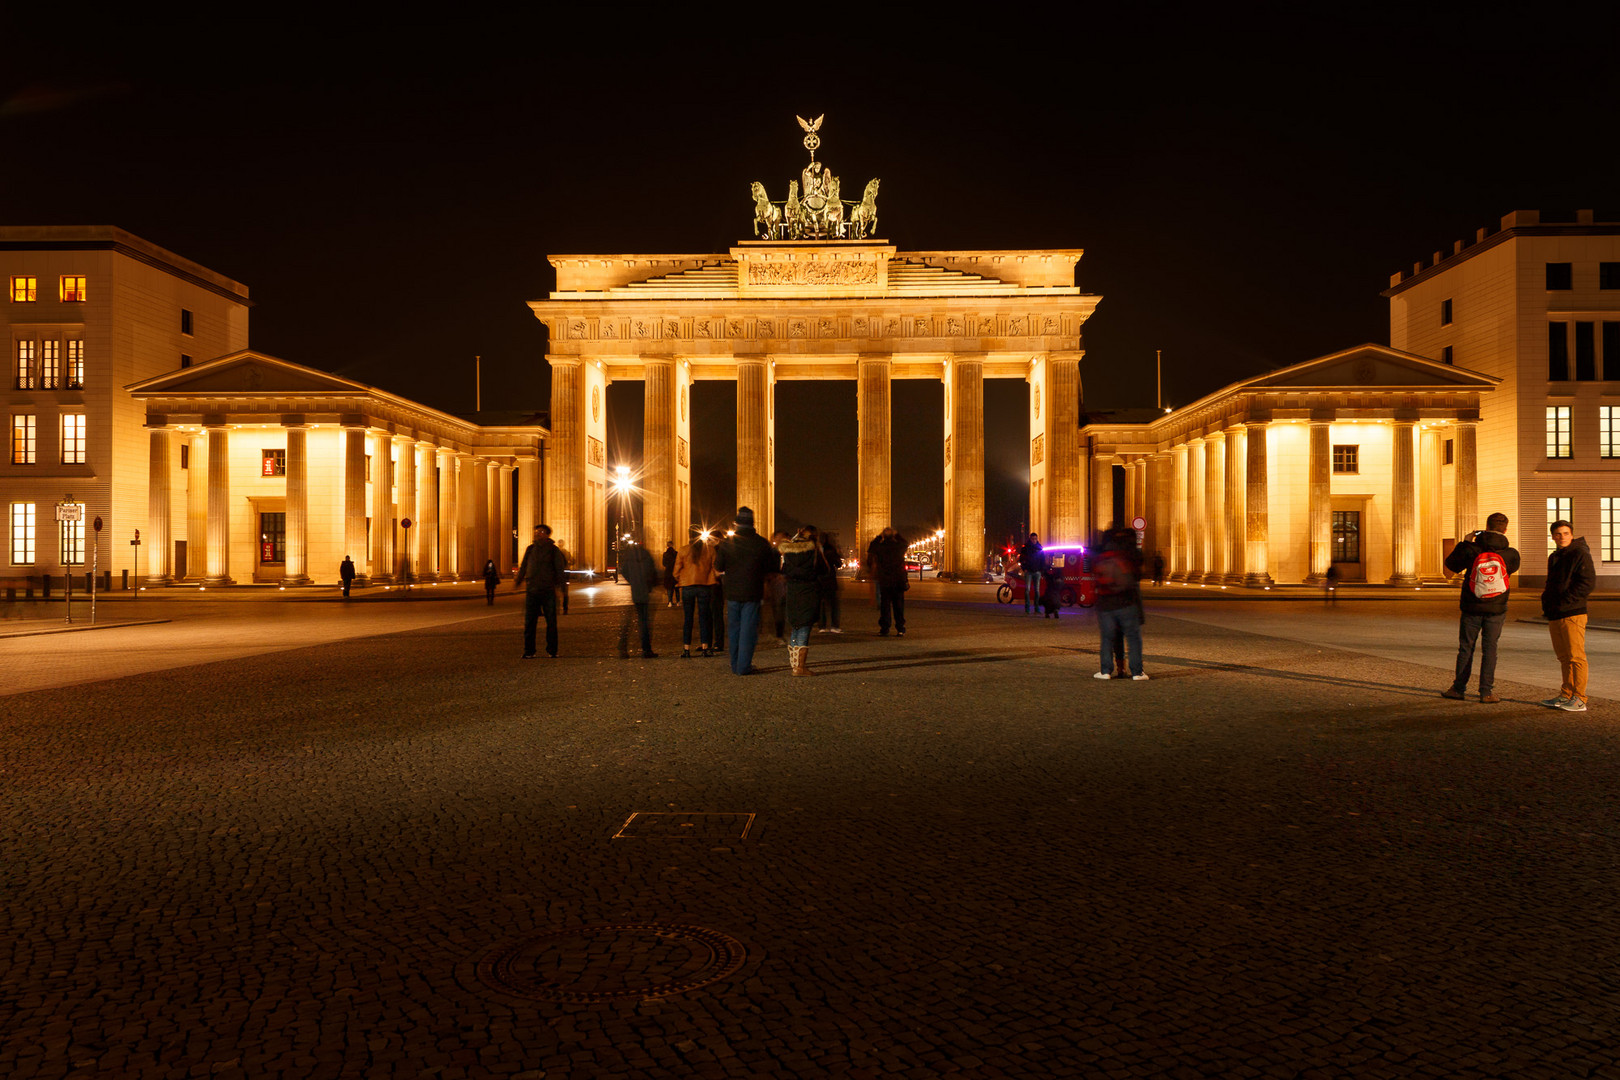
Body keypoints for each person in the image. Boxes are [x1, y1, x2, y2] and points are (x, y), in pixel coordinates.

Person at [1441, 512, 1520, 703]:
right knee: (1490, 649)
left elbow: (1450, 565)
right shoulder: (1511, 554)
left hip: (1472, 606)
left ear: (1485, 527)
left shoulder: (1472, 549)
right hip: (1497, 608)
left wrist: (1466, 542)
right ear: (1505, 530)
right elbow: (1511, 570)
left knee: (1466, 647)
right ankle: (1486, 692)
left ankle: (1458, 688)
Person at [714, 506, 780, 674]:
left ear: (736, 523)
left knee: (734, 629)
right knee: (748, 630)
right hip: (753, 591)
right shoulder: (761, 543)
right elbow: (771, 567)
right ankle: (743, 666)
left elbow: (718, 566)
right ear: (753, 523)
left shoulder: (727, 543)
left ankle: (735, 664)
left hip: (732, 592)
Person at [1541, 518, 1595, 711]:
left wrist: (1565, 601)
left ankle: (1580, 698)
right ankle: (1566, 694)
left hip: (1573, 612)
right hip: (1556, 613)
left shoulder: (1579, 552)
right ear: (1552, 536)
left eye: (1565, 533)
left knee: (1576, 656)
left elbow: (1587, 583)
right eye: (1557, 534)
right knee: (1564, 657)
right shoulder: (1555, 556)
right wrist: (1548, 604)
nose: (1561, 537)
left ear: (1571, 534)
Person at [1093, 526, 1147, 680]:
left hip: (1105, 603)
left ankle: (1106, 671)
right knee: (1133, 637)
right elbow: (1138, 574)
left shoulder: (1102, 552)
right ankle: (1137, 672)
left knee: (1107, 637)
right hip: (1127, 601)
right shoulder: (1129, 553)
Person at [779, 525, 829, 675]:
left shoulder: (788, 551)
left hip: (793, 591)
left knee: (795, 625)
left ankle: (794, 664)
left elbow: (783, 571)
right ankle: (800, 667)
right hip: (809, 591)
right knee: (805, 626)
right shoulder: (813, 551)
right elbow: (825, 570)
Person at [514, 524, 567, 659]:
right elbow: (524, 566)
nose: (537, 534)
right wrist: (519, 580)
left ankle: (552, 650)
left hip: (548, 590)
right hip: (532, 590)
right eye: (536, 531)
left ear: (547, 534)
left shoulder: (553, 550)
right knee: (529, 622)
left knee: (551, 622)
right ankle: (529, 651)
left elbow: (559, 569)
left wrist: (563, 589)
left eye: (541, 532)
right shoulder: (530, 549)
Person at [674, 534, 719, 658]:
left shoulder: (683, 550)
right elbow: (715, 568)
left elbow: (676, 570)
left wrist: (681, 578)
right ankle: (705, 647)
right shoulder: (710, 549)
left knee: (688, 618)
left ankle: (686, 649)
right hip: (704, 586)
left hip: (688, 587)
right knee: (704, 618)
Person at [616, 532, 659, 659]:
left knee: (628, 621)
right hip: (645, 592)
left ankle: (623, 648)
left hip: (635, 592)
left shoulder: (630, 556)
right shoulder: (647, 555)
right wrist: (650, 585)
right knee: (644, 622)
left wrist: (633, 581)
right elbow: (653, 573)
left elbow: (624, 571)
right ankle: (646, 650)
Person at [866, 526, 909, 636]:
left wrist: (879, 536)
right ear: (893, 536)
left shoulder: (880, 547)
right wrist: (897, 534)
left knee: (885, 606)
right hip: (898, 580)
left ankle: (884, 628)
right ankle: (900, 628)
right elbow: (905, 543)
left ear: (884, 536)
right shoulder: (898, 547)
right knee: (899, 606)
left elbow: (871, 547)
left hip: (885, 581)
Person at [817, 532, 843, 633]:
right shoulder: (831, 551)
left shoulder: (817, 550)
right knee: (834, 605)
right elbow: (839, 564)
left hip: (819, 580)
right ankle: (834, 626)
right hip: (830, 580)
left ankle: (822, 626)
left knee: (821, 605)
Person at [766, 531, 789, 644]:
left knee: (779, 609)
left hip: (780, 583)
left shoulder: (782, 553)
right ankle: (777, 634)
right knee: (777, 609)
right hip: (774, 583)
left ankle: (778, 633)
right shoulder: (772, 552)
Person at [1018, 532, 1046, 615]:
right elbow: (1021, 559)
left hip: (1037, 572)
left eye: (1035, 539)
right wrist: (1024, 568)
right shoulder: (1025, 548)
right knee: (1027, 590)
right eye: (1033, 539)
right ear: (1030, 539)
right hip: (1029, 572)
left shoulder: (1040, 548)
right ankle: (1027, 608)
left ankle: (1036, 608)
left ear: (1037, 539)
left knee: (1037, 591)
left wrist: (1041, 570)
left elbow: (1043, 559)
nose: (1034, 540)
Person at [662, 540, 679, 607]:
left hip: (668, 572)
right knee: (676, 588)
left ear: (667, 546)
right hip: (675, 571)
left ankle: (670, 602)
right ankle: (678, 602)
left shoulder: (665, 554)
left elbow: (663, 563)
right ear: (673, 545)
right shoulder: (676, 553)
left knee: (669, 588)